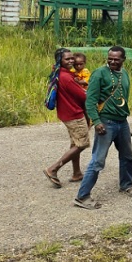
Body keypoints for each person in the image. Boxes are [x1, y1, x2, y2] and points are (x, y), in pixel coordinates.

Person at [74, 46, 132, 210]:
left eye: (116, 59)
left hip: (122, 122)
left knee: (127, 157)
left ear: (123, 60)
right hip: (106, 122)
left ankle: (126, 185)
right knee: (98, 161)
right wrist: (96, 121)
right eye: (110, 58)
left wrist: (125, 123)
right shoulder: (99, 73)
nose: (113, 61)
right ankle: (82, 196)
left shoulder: (124, 74)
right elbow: (90, 100)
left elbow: (124, 98)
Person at [43, 48, 90, 187]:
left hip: (66, 113)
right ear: (60, 60)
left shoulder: (60, 73)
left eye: (71, 58)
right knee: (82, 143)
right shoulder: (67, 78)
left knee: (75, 143)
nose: (71, 61)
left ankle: (77, 173)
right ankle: (53, 169)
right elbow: (83, 96)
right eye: (67, 59)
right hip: (74, 114)